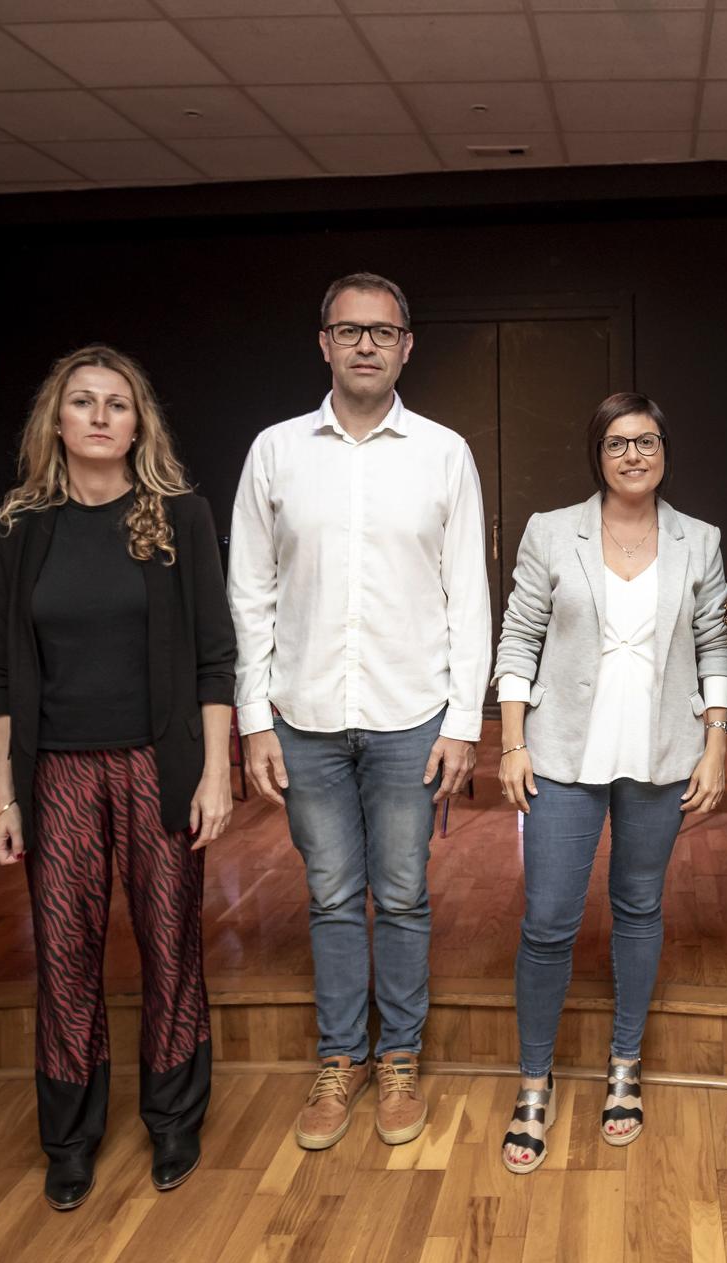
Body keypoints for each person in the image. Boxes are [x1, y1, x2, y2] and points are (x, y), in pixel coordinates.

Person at [228, 273, 491, 1152]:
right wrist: (253, 718)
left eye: (383, 331)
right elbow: (249, 592)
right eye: (350, 330)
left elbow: (470, 595)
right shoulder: (275, 451)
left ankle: (401, 1054)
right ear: (325, 343)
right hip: (302, 714)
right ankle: (341, 1056)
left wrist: (464, 721)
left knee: (406, 893)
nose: (367, 344)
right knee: (334, 894)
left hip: (411, 713)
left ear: (408, 345)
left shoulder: (445, 452)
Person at [0, 345, 235, 1210]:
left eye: (116, 404)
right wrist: (3, 793)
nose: (99, 416)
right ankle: (70, 1135)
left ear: (138, 424)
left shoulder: (179, 516)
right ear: (57, 420)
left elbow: (214, 659)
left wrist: (215, 774)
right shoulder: (18, 529)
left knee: (171, 942)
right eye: (82, 402)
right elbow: (5, 673)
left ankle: (172, 1116)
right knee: (63, 955)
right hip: (55, 771)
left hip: (155, 763)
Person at [491, 393, 727, 1173]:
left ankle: (625, 1065)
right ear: (597, 452)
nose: (634, 455)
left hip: (661, 755)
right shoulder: (549, 530)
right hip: (563, 755)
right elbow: (520, 633)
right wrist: (512, 741)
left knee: (638, 907)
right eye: (619, 442)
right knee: (549, 920)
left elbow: (715, 645)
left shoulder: (699, 540)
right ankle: (535, 1078)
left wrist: (715, 744)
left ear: (666, 448)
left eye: (648, 440)